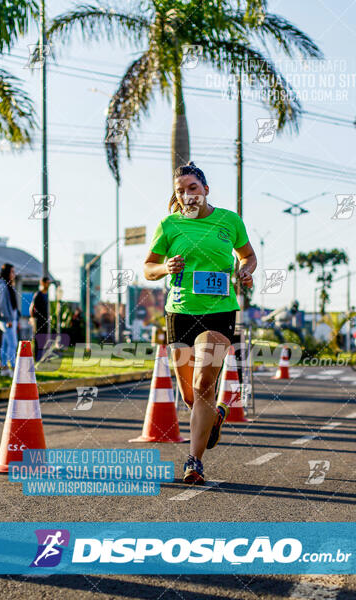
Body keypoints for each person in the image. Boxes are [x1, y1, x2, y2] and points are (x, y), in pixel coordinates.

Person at [144, 161, 257, 485]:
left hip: (219, 311)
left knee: (204, 383)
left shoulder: (229, 221)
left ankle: (194, 461)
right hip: (180, 313)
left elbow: (248, 255)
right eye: (180, 191)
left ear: (205, 189)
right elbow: (148, 268)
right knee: (191, 395)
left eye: (192, 188)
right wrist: (165, 268)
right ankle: (217, 415)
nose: (186, 195)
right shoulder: (169, 225)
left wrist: (245, 271)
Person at [0, 263, 19, 377]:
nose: (14, 274)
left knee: (5, 344)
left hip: (9, 319)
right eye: (12, 272)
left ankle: (4, 369)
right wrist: (9, 319)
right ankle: (13, 368)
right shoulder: (3, 286)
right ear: (7, 273)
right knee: (12, 343)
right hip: (6, 319)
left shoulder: (7, 285)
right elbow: (2, 305)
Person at [29, 276, 50, 361]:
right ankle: (36, 357)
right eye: (47, 282)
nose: (48, 284)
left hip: (45, 321)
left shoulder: (46, 294)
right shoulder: (38, 294)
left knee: (44, 339)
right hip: (38, 321)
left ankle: (42, 357)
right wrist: (32, 318)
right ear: (43, 283)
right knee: (38, 339)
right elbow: (32, 307)